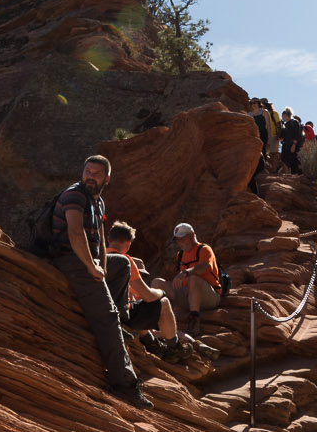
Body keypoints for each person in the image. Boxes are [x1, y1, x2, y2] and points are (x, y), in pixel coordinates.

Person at [42, 155, 149, 409]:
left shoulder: (98, 202)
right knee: (106, 317)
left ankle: (118, 321)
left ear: (107, 179)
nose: (90, 176)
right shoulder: (74, 195)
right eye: (87, 171)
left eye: (96, 173)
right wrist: (91, 266)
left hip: (86, 259)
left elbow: (100, 238)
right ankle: (123, 384)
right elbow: (74, 232)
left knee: (121, 264)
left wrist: (101, 262)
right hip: (69, 260)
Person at [103, 221, 202, 362]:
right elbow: (148, 296)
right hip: (122, 315)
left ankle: (153, 344)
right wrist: (160, 292)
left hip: (102, 313)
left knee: (138, 305)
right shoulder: (125, 260)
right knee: (163, 302)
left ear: (108, 240)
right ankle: (174, 348)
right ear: (129, 242)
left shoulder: (99, 258)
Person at [167, 222, 223, 332]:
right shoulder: (180, 255)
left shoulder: (204, 249)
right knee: (157, 282)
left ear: (192, 235)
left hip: (210, 297)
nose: (180, 242)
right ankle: (163, 319)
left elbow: (203, 267)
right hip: (189, 296)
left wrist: (185, 272)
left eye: (183, 238)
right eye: (178, 240)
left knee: (193, 277)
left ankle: (194, 321)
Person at [278, 107, 304, 174]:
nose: (283, 118)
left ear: (287, 115)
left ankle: (296, 178)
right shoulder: (285, 125)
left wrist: (294, 144)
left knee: (295, 162)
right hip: (286, 146)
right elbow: (282, 137)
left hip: (294, 146)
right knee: (285, 161)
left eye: (283, 116)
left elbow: (297, 134)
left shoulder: (295, 122)